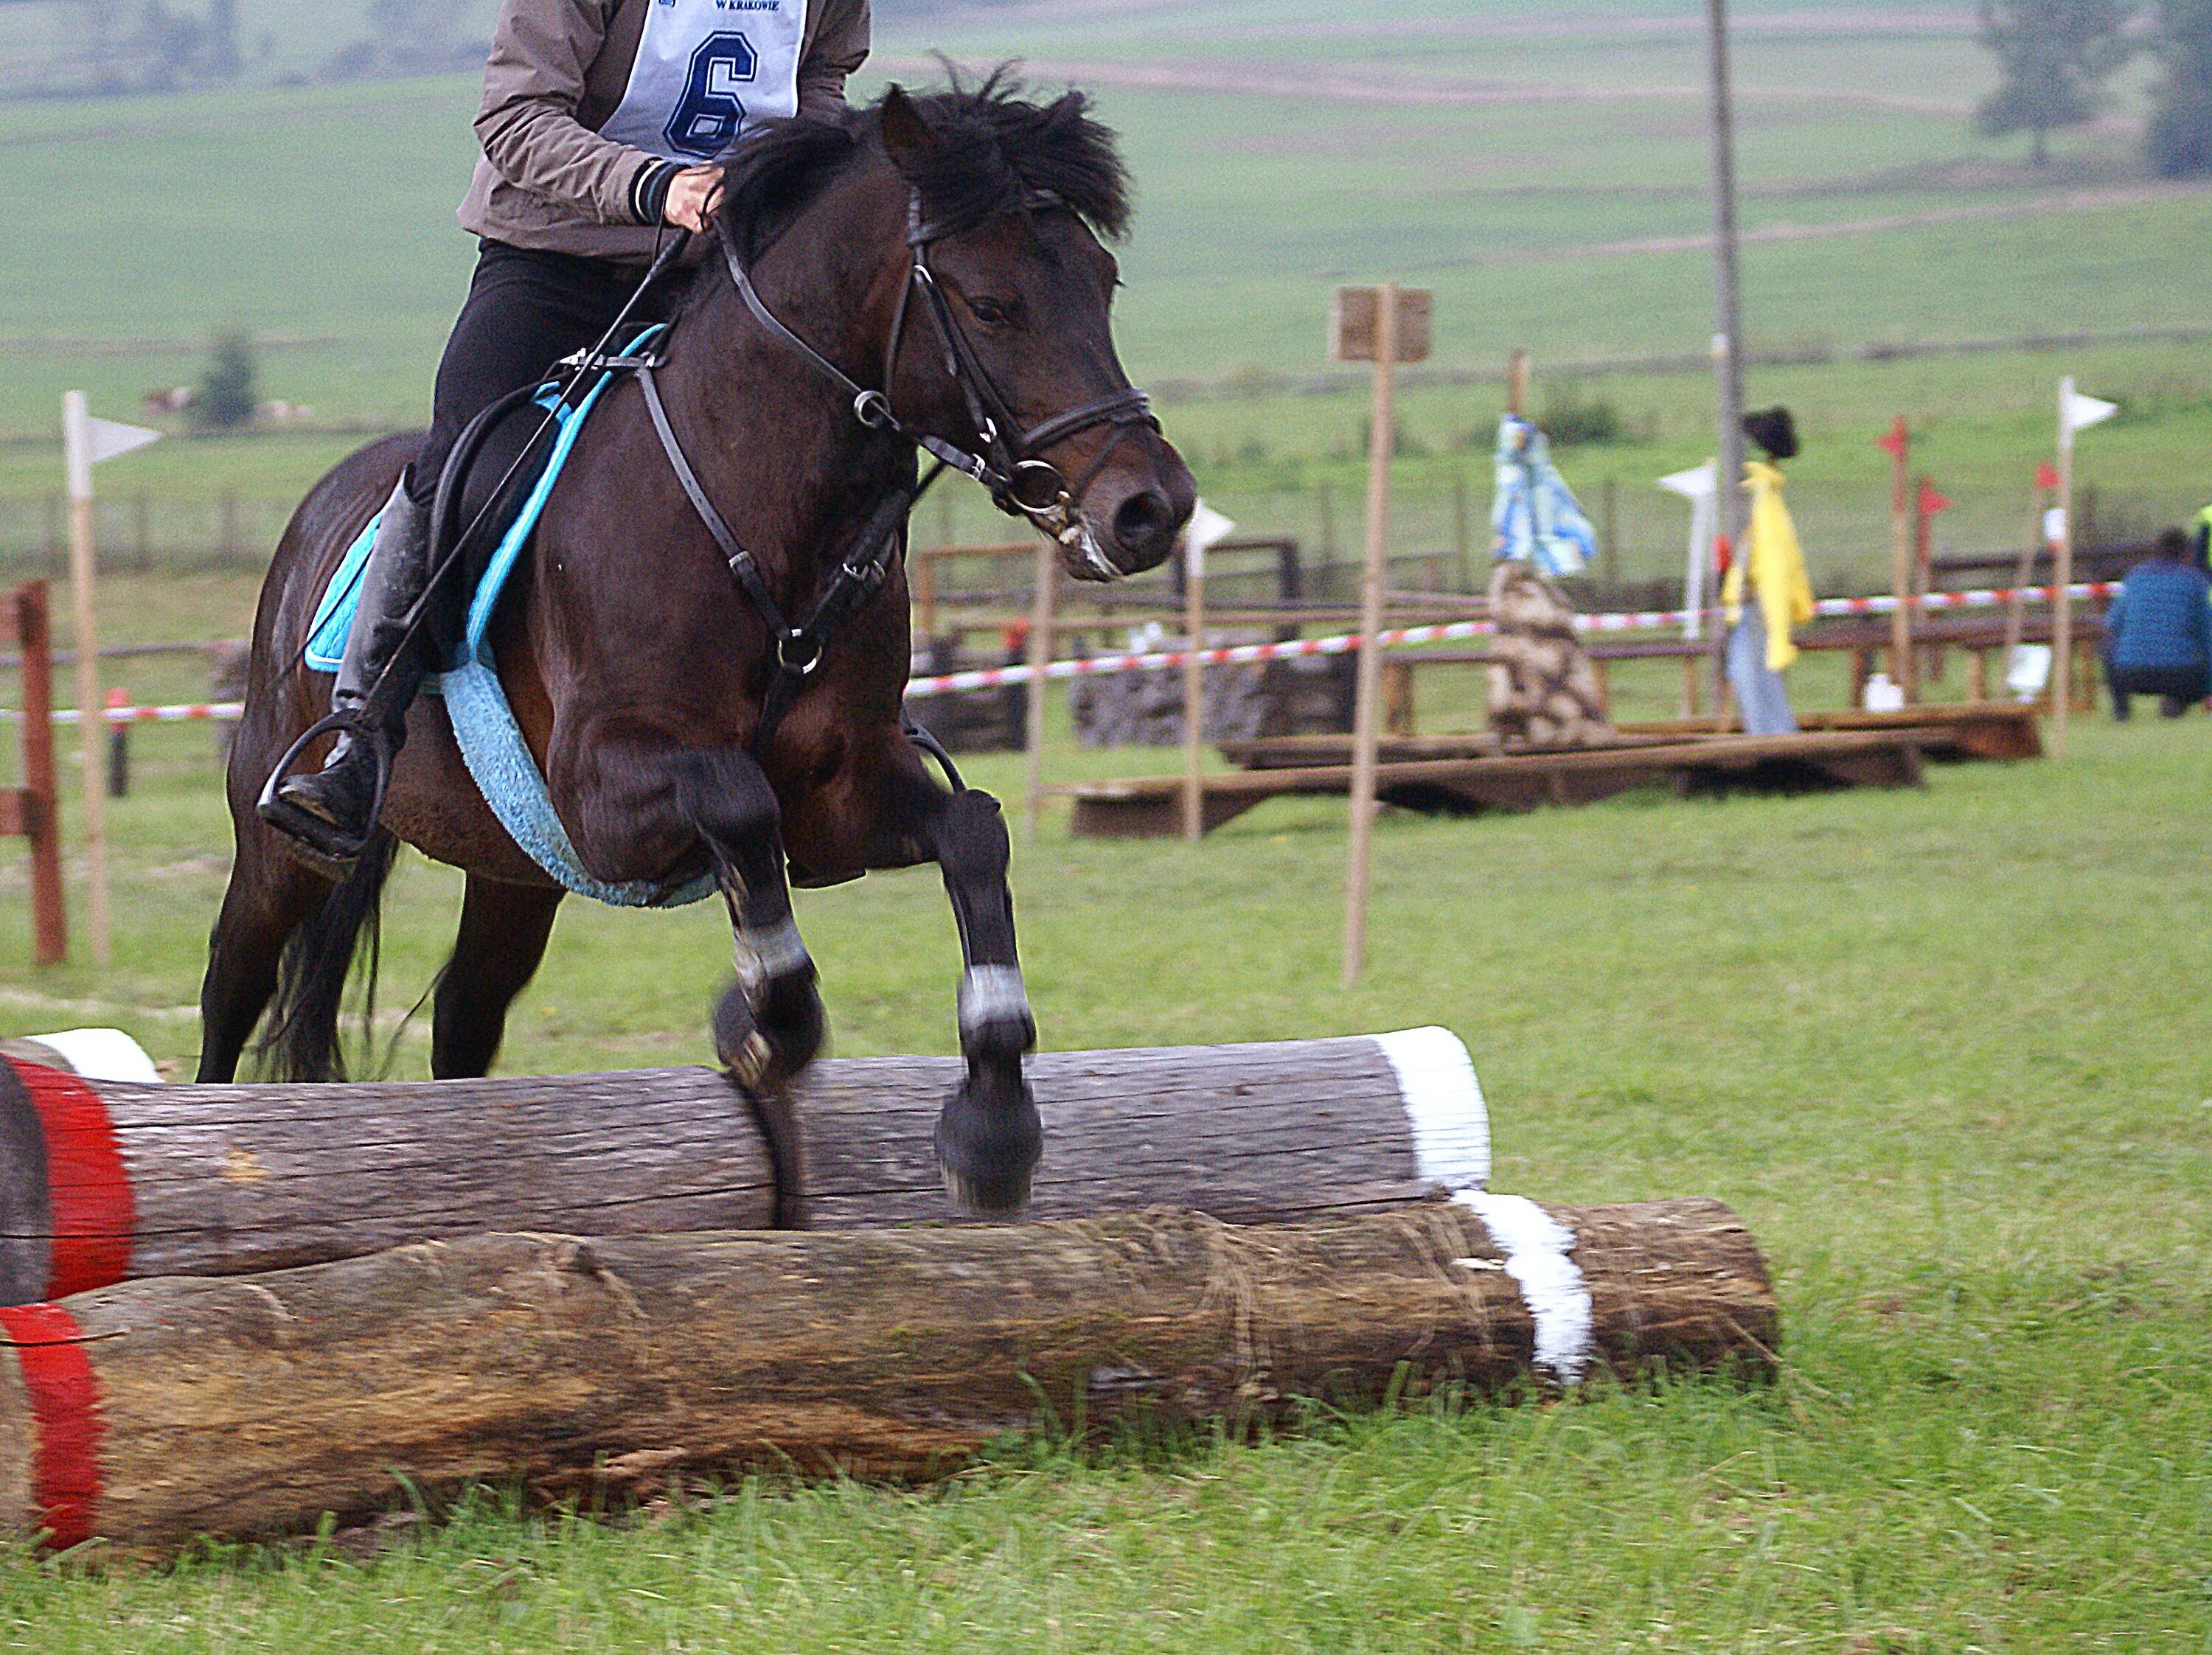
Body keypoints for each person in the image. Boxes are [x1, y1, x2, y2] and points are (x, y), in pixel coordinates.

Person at [264, 0, 872, 867]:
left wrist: (777, 183)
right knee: (472, 472)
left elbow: (817, 83)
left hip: (716, 269)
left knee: (826, 452)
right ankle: (358, 737)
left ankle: (856, 725)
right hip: (555, 259)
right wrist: (657, 188)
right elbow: (514, 119)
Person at [1722, 405, 1814, 735]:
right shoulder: (1768, 494)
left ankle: (1772, 741)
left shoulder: (1762, 498)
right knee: (1755, 675)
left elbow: (1769, 561)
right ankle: (1774, 735)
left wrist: (1748, 590)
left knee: (1753, 678)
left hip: (1757, 603)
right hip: (1757, 601)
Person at [2103, 527, 2212, 720]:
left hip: (2129, 674)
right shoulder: (2197, 582)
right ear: (2188, 554)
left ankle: (2121, 708)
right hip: (2181, 676)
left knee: (2106, 645)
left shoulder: (2134, 578)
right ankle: (2178, 702)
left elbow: (2113, 624)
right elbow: (2207, 635)